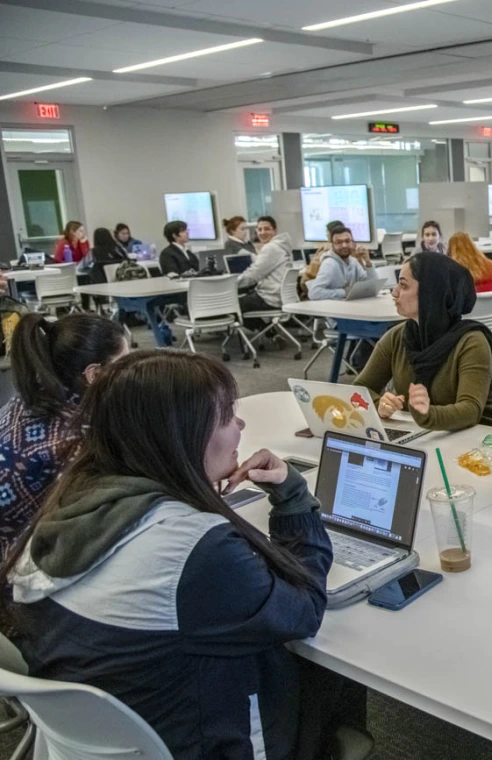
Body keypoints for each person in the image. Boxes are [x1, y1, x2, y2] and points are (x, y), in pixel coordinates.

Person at [2, 351, 366, 758]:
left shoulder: (67, 507)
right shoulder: (195, 550)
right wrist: (294, 498)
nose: (241, 425)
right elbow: (304, 609)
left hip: (102, 740)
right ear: (183, 433)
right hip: (199, 741)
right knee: (330, 668)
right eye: (228, 415)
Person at [0, 313, 128, 558]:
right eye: (125, 362)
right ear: (95, 375)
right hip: (17, 570)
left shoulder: (28, 401)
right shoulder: (75, 439)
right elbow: (100, 519)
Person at [355, 254, 492, 431]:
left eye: (403, 285)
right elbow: (360, 389)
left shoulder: (472, 342)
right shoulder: (397, 336)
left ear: (429, 293)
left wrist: (427, 414)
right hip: (421, 434)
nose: (394, 292)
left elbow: (470, 410)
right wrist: (380, 404)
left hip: (471, 439)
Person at [238, 215, 291, 317]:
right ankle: (267, 330)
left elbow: (253, 275)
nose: (262, 232)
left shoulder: (271, 248)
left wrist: (232, 284)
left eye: (267, 229)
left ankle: (263, 329)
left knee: (230, 304)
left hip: (269, 298)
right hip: (280, 296)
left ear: (275, 231)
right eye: (259, 229)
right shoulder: (283, 246)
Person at [308, 225, 379, 301]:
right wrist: (344, 292)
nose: (344, 245)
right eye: (339, 242)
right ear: (332, 245)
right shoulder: (329, 264)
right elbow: (314, 293)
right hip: (334, 310)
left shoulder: (353, 261)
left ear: (352, 243)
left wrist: (368, 263)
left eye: (347, 241)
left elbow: (371, 286)